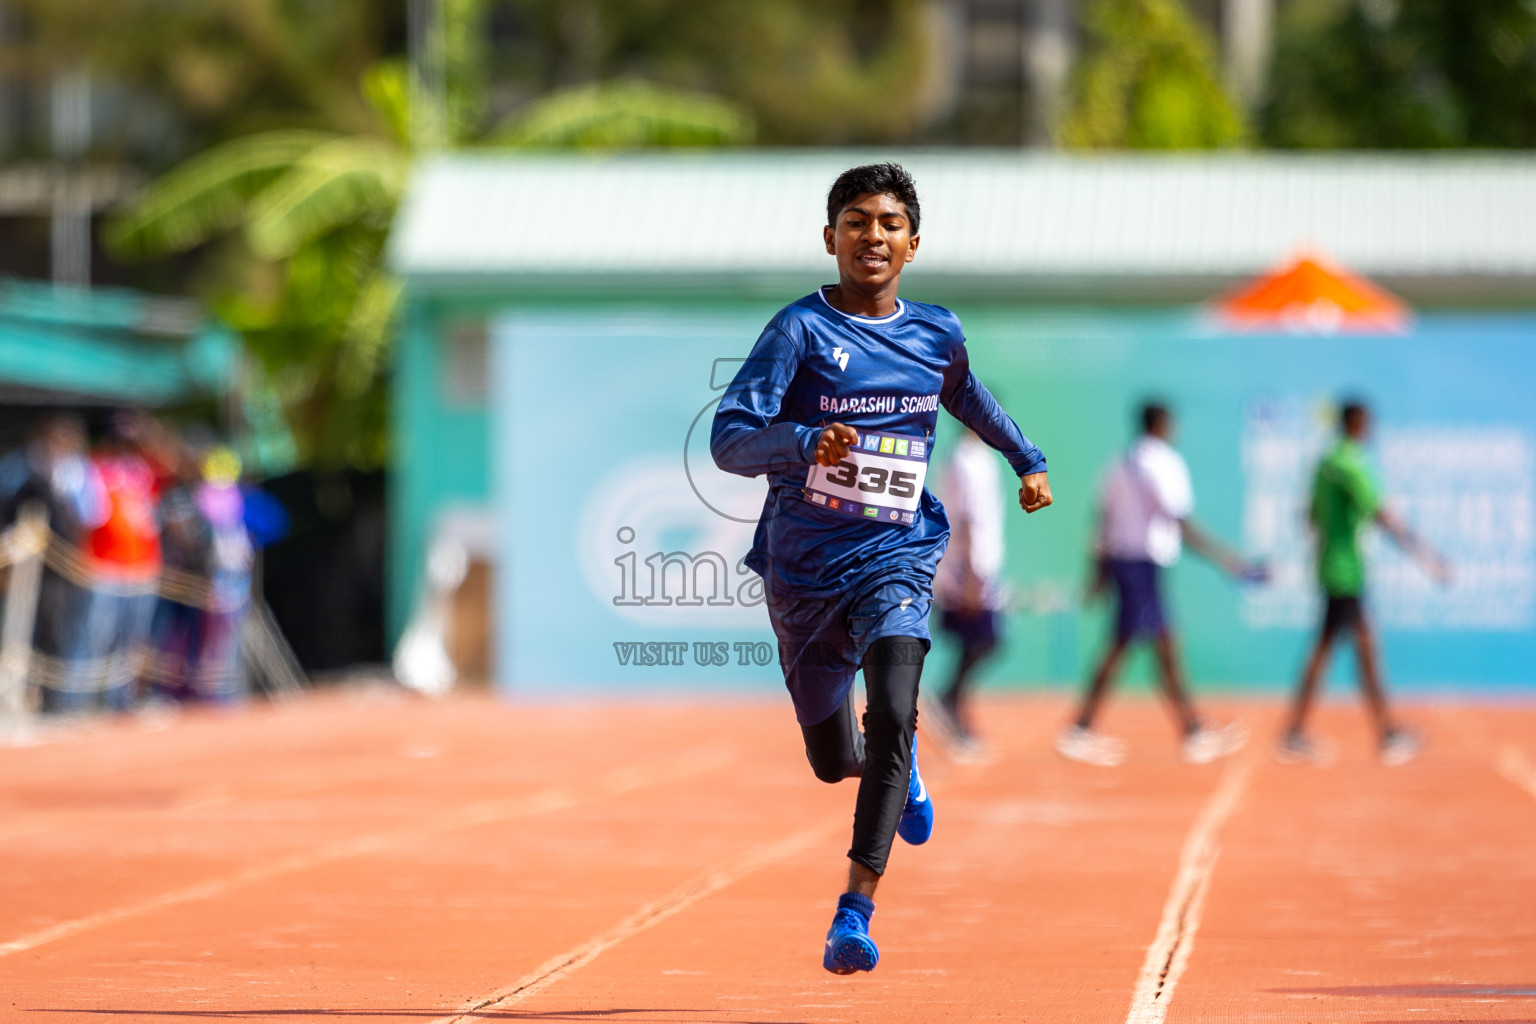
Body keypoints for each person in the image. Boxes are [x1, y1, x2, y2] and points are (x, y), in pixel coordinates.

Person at [711, 163, 1052, 975]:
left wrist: (1025, 459)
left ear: (914, 242)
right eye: (856, 221)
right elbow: (729, 440)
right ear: (830, 239)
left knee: (895, 712)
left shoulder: (936, 333)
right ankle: (897, 777)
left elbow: (969, 398)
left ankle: (854, 912)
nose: (873, 235)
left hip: (895, 557)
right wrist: (802, 445)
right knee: (835, 761)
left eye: (889, 222)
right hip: (802, 574)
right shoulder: (796, 331)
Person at [1058, 401, 1259, 767]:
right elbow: (1179, 519)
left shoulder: (1118, 463)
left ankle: (1191, 729)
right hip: (1143, 566)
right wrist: (1226, 558)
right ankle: (1081, 727)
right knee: (1124, 646)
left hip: (1126, 564)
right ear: (1163, 423)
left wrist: (1099, 571)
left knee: (1161, 645)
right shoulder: (1163, 462)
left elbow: (1102, 518)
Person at [1280, 400, 1448, 766]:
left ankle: (1380, 730)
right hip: (1346, 570)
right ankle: (1303, 732)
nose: (1370, 429)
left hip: (1336, 565)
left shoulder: (1325, 463)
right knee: (1336, 649)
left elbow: (1310, 515)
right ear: (1356, 422)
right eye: (1368, 422)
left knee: (1359, 648)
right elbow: (1382, 515)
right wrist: (1428, 557)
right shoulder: (1352, 462)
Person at [927, 427, 1009, 756]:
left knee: (977, 642)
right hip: (968, 569)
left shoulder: (980, 459)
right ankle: (949, 703)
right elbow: (966, 520)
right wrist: (973, 576)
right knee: (986, 639)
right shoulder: (966, 461)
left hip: (979, 566)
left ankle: (953, 709)